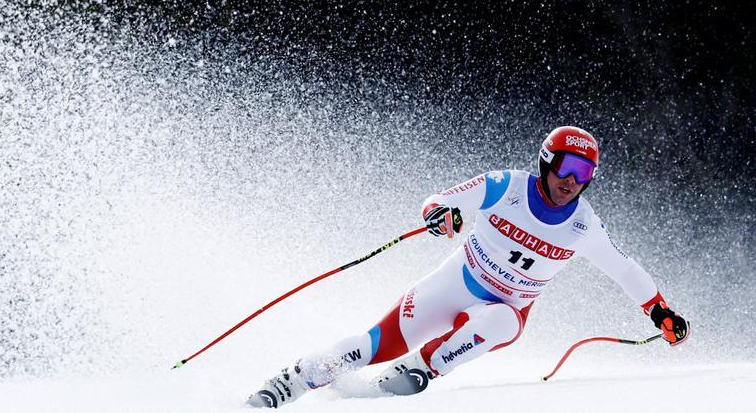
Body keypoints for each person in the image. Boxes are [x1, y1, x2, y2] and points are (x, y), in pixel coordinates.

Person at [247, 126, 689, 408]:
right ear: (546, 162)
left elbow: (624, 269)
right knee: (372, 345)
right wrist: (441, 214)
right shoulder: (507, 187)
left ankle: (423, 368)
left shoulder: (582, 224)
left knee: (500, 321)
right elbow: (439, 200)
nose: (573, 182)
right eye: (568, 167)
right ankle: (289, 383)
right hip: (454, 286)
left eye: (585, 174)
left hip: (505, 310)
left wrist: (659, 312)